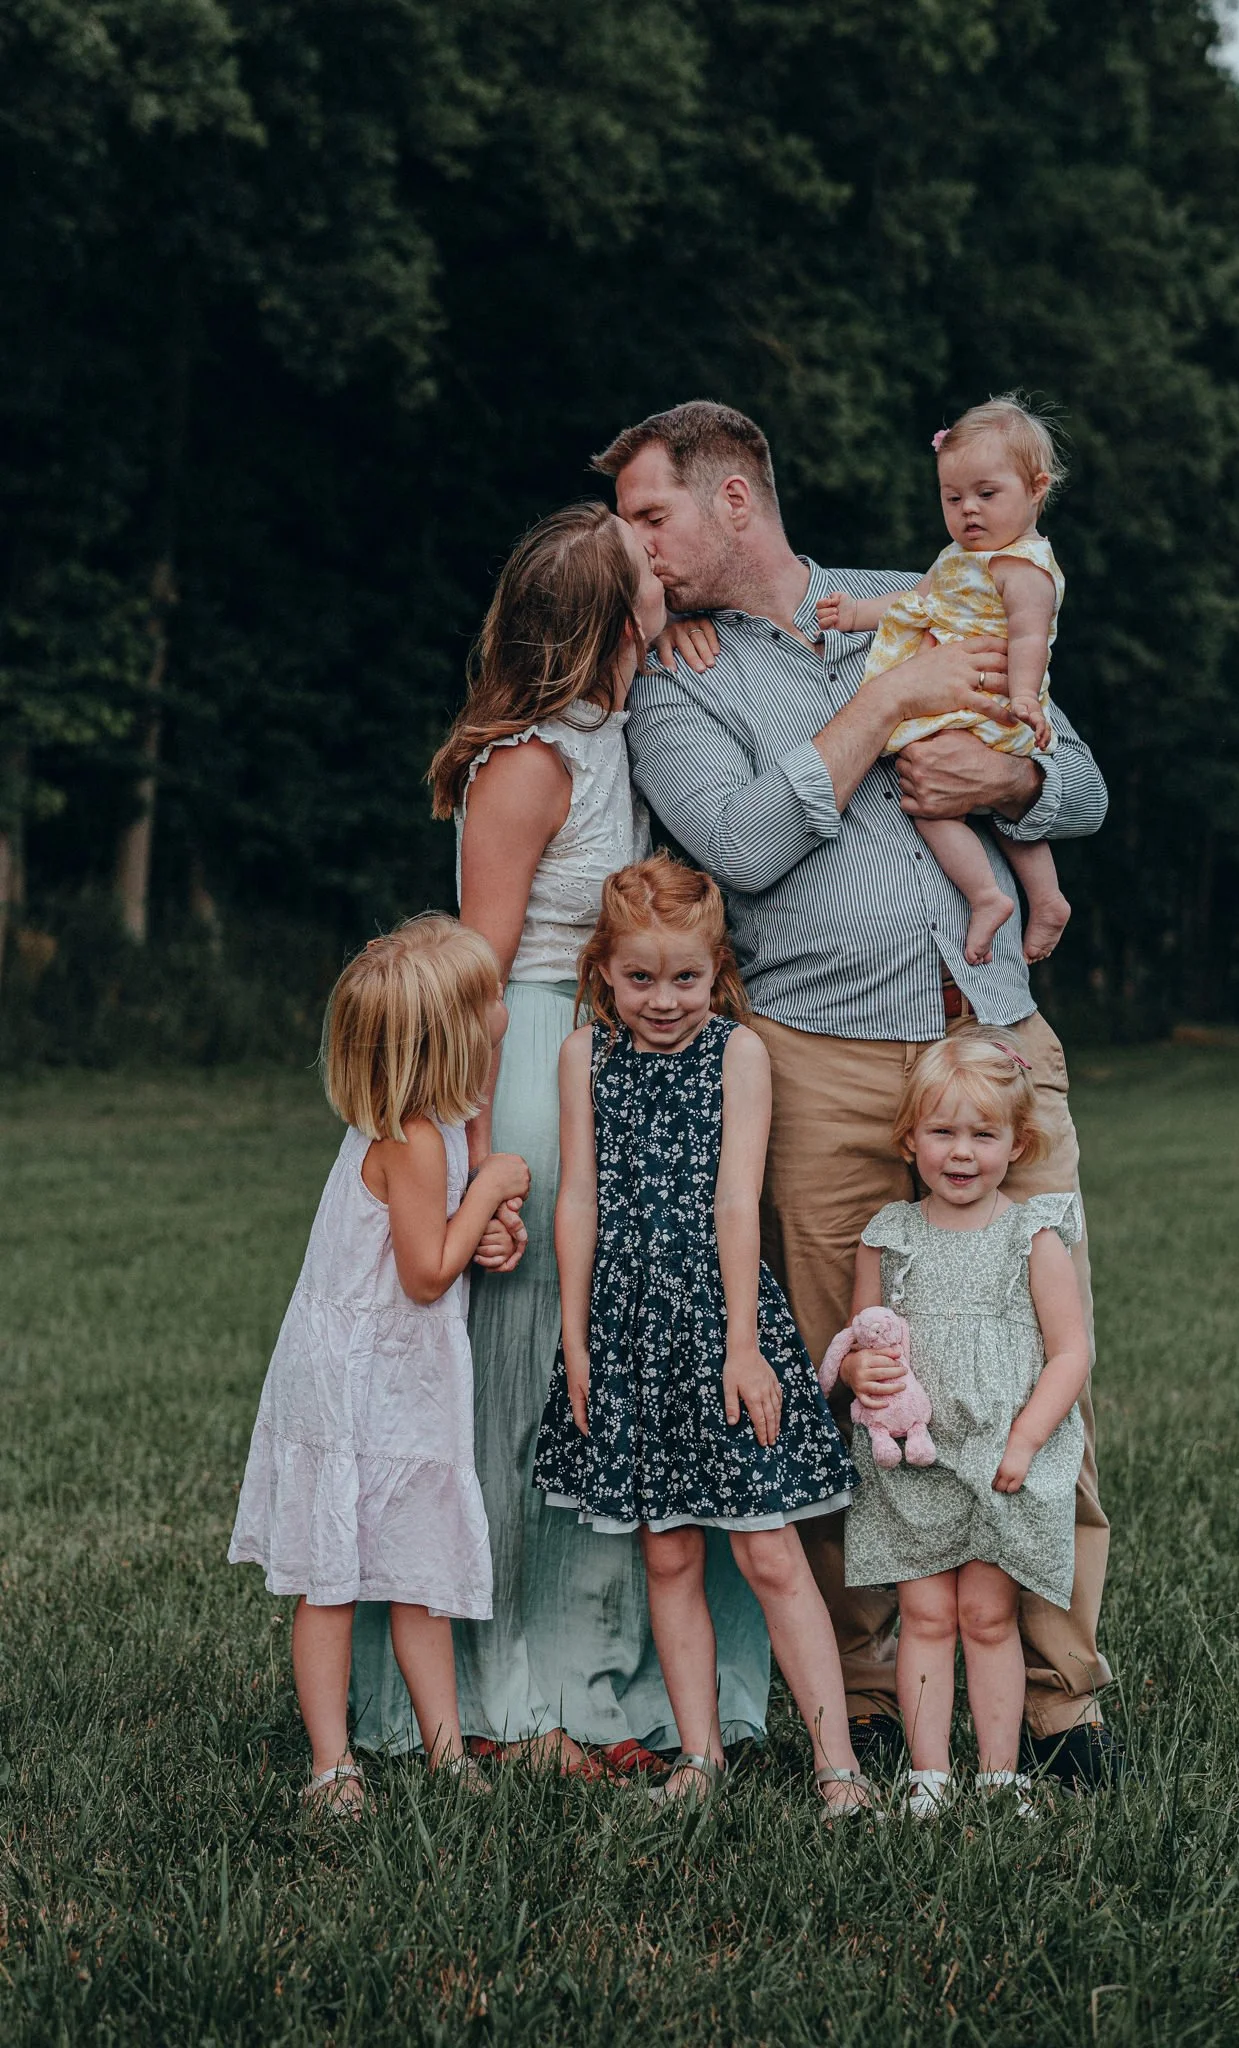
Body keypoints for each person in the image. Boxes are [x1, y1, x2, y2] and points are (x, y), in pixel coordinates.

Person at [597, 399, 1120, 1790]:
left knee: (1031, 1361)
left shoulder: (925, 591)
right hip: (819, 1062)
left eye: (650, 518)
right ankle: (887, 1702)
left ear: (731, 502)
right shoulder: (676, 683)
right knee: (856, 1380)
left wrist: (1012, 771)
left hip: (989, 1037)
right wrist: (883, 702)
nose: (631, 549)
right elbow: (741, 846)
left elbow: (1082, 778)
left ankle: (1055, 1707)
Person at [349, 503, 769, 1774]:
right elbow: (474, 969)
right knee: (535, 1371)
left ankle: (621, 1677)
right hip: (528, 1059)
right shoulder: (528, 760)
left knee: (624, 1362)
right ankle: (522, 1693)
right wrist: (479, 1162)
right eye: (650, 569)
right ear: (604, 615)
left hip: (615, 1055)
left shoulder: (616, 723)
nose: (670, 570)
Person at [534, 855, 875, 1814]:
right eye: (640, 977)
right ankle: (697, 1759)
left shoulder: (738, 1054)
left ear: (715, 967)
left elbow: (736, 1203)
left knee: (768, 1549)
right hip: (623, 1329)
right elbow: (577, 1204)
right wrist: (575, 1337)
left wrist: (742, 1345)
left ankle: (837, 1766)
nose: (663, 999)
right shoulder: (584, 1058)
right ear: (603, 969)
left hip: (719, 1322)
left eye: (684, 976)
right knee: (668, 1550)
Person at [228, 915, 530, 1816]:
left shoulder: (423, 1118)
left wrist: (482, 1221)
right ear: (449, 1038)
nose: (503, 1012)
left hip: (395, 1378)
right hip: (363, 1382)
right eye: (487, 1003)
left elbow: (439, 1246)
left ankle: (445, 1754)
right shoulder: (416, 1141)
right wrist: (490, 1191)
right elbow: (426, 1272)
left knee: (414, 1571)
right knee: (332, 1581)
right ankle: (332, 1766)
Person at [834, 1029, 1089, 1818]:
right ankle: (928, 1776)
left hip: (1002, 1456)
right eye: (942, 1132)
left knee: (986, 1614)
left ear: (1017, 1143)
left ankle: (1000, 1777)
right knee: (924, 1613)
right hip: (915, 1460)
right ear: (909, 1140)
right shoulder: (889, 1234)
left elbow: (1070, 1351)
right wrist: (852, 1372)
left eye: (983, 1134)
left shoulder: (1031, 1234)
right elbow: (860, 1337)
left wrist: (1025, 1439)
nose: (961, 1152)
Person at [815, 396, 1071, 966]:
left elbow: (1030, 640)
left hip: (990, 702)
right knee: (964, 796)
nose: (968, 511)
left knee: (935, 798)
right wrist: (855, 614)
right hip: (951, 692)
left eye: (986, 494)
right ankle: (1044, 897)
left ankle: (992, 896)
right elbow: (916, 601)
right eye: (953, 498)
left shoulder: (1023, 570)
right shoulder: (960, 557)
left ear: (1036, 489)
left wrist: (1026, 698)